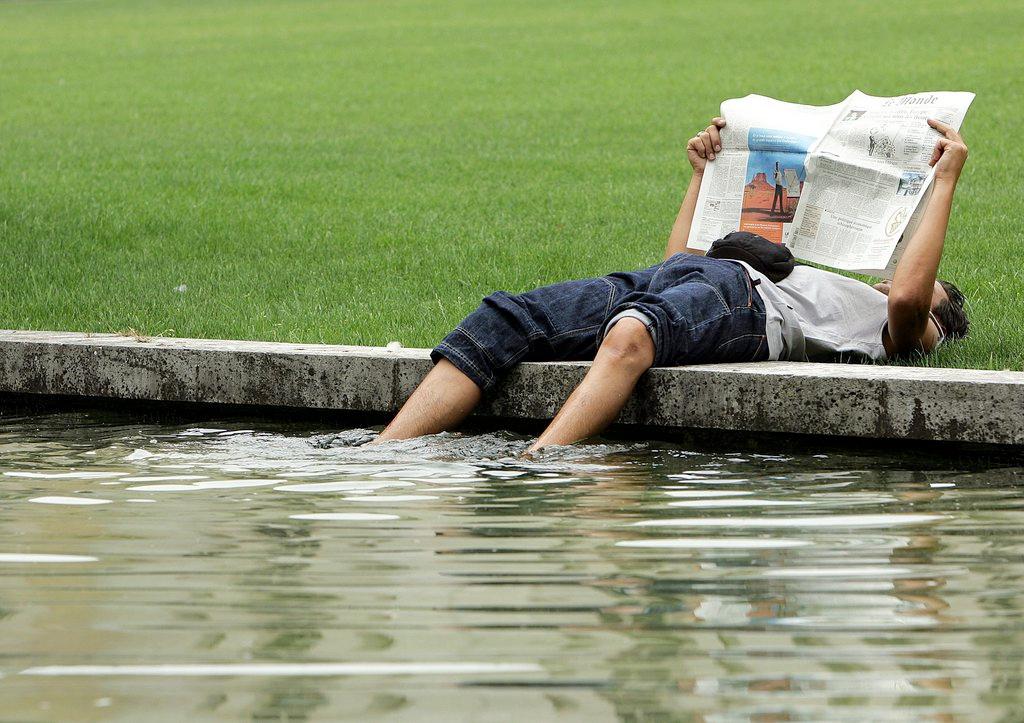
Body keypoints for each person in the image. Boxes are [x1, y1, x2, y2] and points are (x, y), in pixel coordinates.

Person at [369, 116, 970, 452]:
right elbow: (678, 261)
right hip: (693, 274)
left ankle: (541, 463)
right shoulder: (845, 292)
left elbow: (908, 297)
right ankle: (383, 456)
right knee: (505, 317)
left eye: (932, 284)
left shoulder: (905, 329)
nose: (908, 276)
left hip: (751, 303)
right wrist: (702, 175)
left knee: (634, 331)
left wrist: (942, 182)